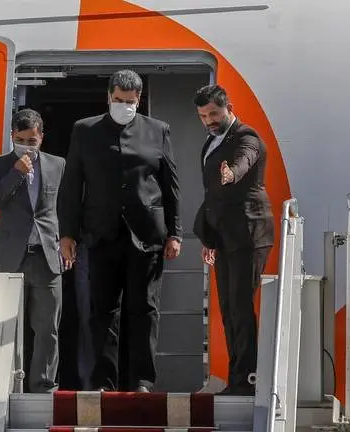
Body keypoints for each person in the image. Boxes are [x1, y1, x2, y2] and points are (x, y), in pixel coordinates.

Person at [58, 69, 183, 392]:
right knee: (103, 310)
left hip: (147, 235)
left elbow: (170, 185)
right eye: (118, 99)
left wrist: (175, 232)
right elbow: (72, 185)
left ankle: (142, 379)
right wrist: (67, 233)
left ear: (139, 99)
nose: (123, 105)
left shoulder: (157, 130)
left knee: (145, 309)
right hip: (101, 233)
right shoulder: (85, 130)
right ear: (108, 96)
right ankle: (104, 381)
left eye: (129, 101)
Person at [192, 85, 275, 396]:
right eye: (203, 116)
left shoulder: (246, 136)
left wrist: (232, 174)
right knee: (228, 307)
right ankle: (237, 377)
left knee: (240, 305)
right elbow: (213, 197)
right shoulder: (211, 142)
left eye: (214, 113)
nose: (209, 121)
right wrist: (208, 237)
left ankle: (247, 379)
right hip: (224, 235)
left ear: (229, 108)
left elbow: (245, 159)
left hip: (249, 232)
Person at [0, 108, 67, 393]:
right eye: (21, 140)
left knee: (47, 328)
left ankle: (43, 387)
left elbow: (65, 207)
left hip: (46, 256)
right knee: (6, 326)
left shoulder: (58, 165)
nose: (27, 146)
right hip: (11, 256)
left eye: (32, 141)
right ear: (12, 136)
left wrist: (67, 241)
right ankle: (4, 386)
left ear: (41, 138)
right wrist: (16, 173)